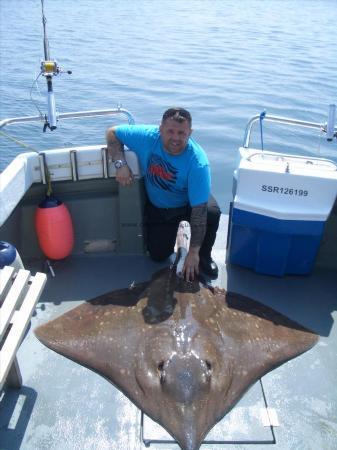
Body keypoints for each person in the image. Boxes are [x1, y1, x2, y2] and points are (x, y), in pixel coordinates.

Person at [106, 107, 221, 281]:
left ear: (190, 132)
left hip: (188, 204)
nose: (175, 138)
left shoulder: (198, 162)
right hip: (160, 207)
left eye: (182, 133)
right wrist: (120, 163)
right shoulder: (147, 137)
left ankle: (204, 256)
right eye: (170, 131)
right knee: (158, 256)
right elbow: (112, 132)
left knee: (211, 212)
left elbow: (199, 211)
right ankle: (180, 233)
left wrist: (194, 252)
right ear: (160, 129)